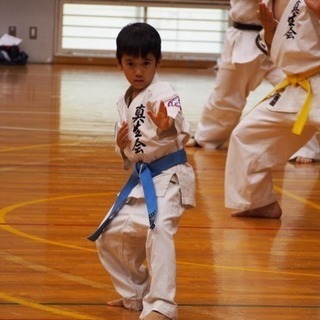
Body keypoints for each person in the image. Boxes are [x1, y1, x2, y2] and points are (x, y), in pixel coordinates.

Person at [87, 22, 195, 320]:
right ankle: (134, 293)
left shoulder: (164, 91)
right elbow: (129, 151)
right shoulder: (123, 101)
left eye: (146, 63)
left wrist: (166, 125)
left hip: (170, 175)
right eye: (131, 64)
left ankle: (162, 304)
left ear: (157, 63)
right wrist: (121, 145)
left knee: (158, 229)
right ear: (119, 63)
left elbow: (173, 118)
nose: (138, 71)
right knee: (110, 235)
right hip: (142, 177)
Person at [186, 0, 320, 163]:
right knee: (226, 94)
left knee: (300, 89)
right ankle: (207, 137)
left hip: (285, 35)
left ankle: (306, 147)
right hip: (244, 35)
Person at [224, 0, 320, 218]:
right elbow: (272, 46)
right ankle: (259, 202)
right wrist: (269, 29)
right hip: (295, 87)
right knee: (246, 135)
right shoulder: (269, 3)